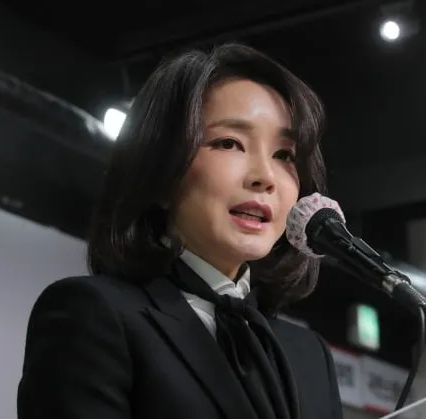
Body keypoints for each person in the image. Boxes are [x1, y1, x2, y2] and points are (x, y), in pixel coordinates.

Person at [17, 43, 343, 419]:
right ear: (161, 171)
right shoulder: (95, 315)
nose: (265, 177)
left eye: (284, 155)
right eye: (229, 143)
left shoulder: (309, 355)